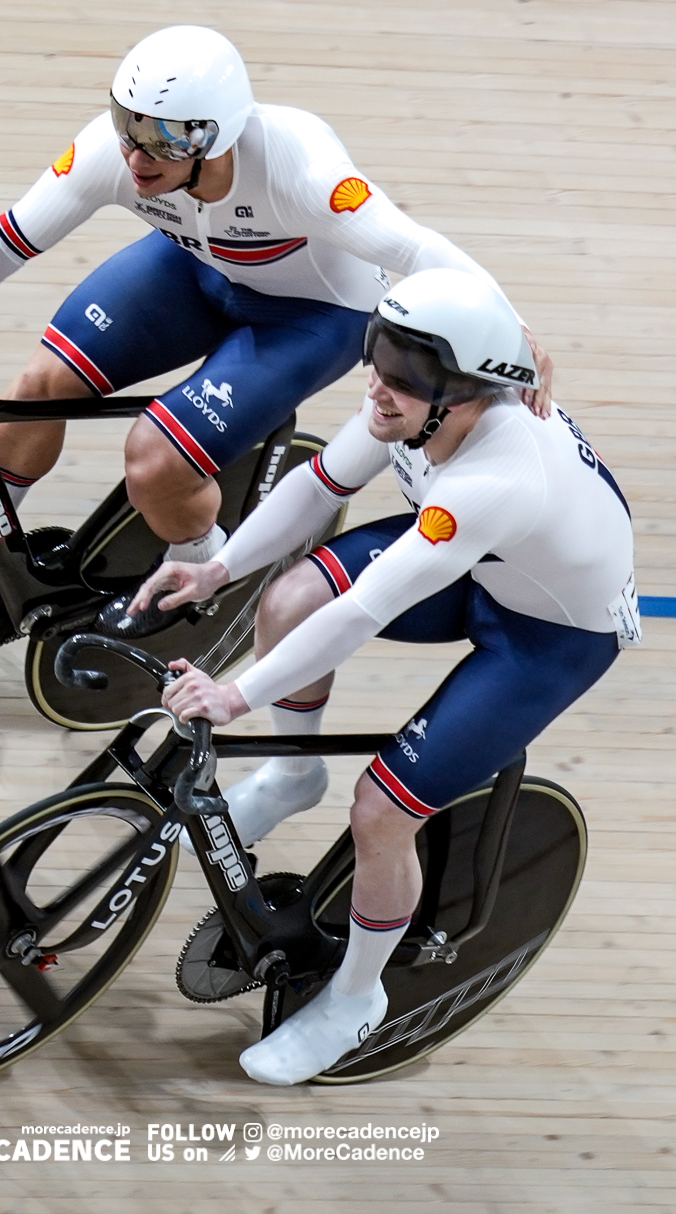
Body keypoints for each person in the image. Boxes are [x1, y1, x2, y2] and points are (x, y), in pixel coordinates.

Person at [0, 25, 552, 623]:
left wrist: (513, 336)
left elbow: (416, 248)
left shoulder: (301, 168)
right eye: (127, 126)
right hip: (196, 273)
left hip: (313, 315)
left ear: (216, 135)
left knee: (156, 461)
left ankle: (198, 573)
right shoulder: (114, 154)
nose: (137, 156)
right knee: (38, 386)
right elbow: (7, 237)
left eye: (165, 140)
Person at [134, 267, 639, 1086]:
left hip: (549, 634)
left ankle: (355, 997)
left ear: (470, 392)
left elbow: (365, 609)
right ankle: (294, 772)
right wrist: (218, 568)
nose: (382, 382)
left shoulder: (498, 474)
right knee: (291, 597)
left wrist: (236, 695)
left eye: (409, 371)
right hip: (489, 570)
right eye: (381, 352)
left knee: (381, 810)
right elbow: (317, 484)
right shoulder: (407, 402)